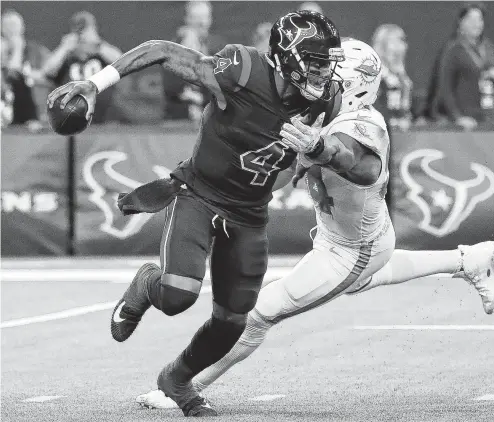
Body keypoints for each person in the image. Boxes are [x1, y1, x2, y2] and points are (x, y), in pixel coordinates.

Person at [133, 39, 494, 410]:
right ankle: (466, 259)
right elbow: (278, 170)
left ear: (354, 84)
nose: (318, 77)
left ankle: (183, 385)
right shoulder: (317, 113)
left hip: (351, 250)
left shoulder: (362, 122)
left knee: (259, 313)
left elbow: (358, 163)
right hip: (352, 237)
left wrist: (317, 150)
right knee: (367, 276)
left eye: (329, 73)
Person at [48, 10, 345, 417]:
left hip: (249, 213)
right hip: (200, 195)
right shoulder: (241, 71)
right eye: (315, 61)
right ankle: (145, 284)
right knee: (176, 296)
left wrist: (310, 158)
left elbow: (308, 161)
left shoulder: (328, 100)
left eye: (327, 62)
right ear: (287, 57)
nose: (323, 72)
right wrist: (95, 82)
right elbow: (159, 50)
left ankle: (176, 379)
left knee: (232, 321)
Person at [41, 11, 122, 124]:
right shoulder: (67, 55)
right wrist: (64, 48)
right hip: (71, 115)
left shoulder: (102, 51)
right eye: (79, 31)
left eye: (85, 30)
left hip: (102, 116)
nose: (82, 36)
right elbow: (47, 71)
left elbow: (121, 62)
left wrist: (97, 44)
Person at [437, 3, 494, 130]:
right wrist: (458, 117)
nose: (476, 23)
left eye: (479, 19)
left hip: (490, 116)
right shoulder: (453, 50)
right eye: (471, 19)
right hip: (467, 119)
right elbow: (445, 88)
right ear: (461, 22)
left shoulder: (488, 47)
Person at [1, 9, 50, 128]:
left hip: (34, 111)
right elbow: (12, 73)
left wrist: (30, 74)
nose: (11, 29)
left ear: (22, 27)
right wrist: (16, 50)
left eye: (14, 25)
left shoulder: (37, 51)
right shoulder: (2, 52)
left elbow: (49, 75)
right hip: (7, 113)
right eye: (7, 25)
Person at [372, 24, 413, 132]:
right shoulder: (374, 74)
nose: (402, 47)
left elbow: (404, 107)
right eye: (395, 42)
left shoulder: (401, 76)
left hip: (399, 134)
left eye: (402, 41)